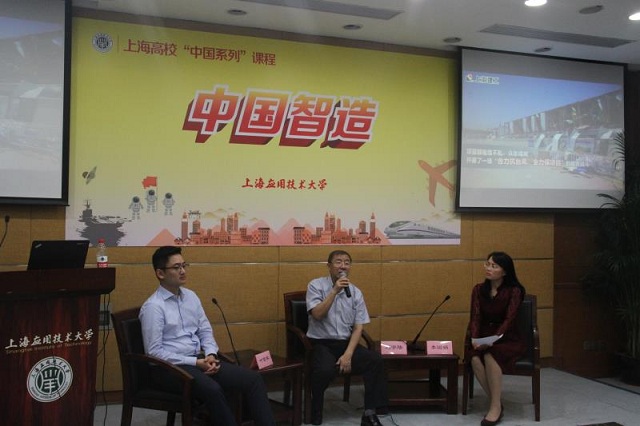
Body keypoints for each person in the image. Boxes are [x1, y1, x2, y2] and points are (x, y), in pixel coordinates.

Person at [139, 246, 275, 426]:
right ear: (160, 273)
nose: (183, 271)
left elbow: (205, 330)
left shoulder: (191, 297)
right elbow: (154, 352)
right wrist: (195, 362)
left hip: (200, 360)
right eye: (176, 267)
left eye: (184, 265)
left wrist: (211, 353)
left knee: (252, 379)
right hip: (170, 369)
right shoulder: (153, 307)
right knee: (213, 389)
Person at [306, 249, 388, 426]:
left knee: (375, 361)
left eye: (347, 262)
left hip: (345, 343)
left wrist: (348, 354)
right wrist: (334, 291)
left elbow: (358, 327)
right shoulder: (315, 285)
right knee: (325, 370)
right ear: (329, 266)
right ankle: (315, 409)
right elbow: (317, 315)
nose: (343, 266)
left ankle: (370, 412)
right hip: (321, 343)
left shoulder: (355, 292)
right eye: (338, 262)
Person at [467, 251, 527, 426]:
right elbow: (475, 317)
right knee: (474, 358)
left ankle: (494, 409)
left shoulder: (515, 291)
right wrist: (475, 338)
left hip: (507, 336)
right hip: (484, 334)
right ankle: (497, 402)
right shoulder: (478, 289)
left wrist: (492, 339)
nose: (489, 268)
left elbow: (509, 319)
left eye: (494, 266)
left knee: (490, 354)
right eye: (487, 264)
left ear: (505, 271)